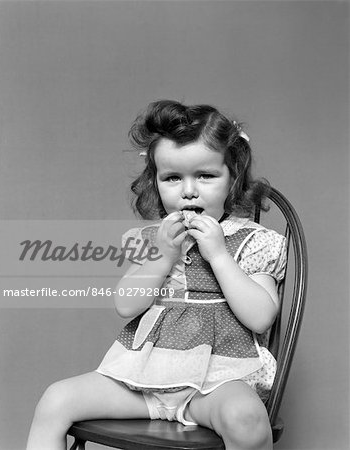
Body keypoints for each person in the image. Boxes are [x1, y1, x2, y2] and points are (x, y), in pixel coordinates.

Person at [27, 100, 287, 450]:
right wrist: (163, 256)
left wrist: (220, 256)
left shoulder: (253, 241)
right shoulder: (154, 239)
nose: (189, 190)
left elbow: (260, 317)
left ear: (233, 178)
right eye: (172, 178)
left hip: (214, 384)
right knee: (56, 399)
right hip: (142, 381)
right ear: (155, 182)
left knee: (247, 419)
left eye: (206, 175)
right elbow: (126, 305)